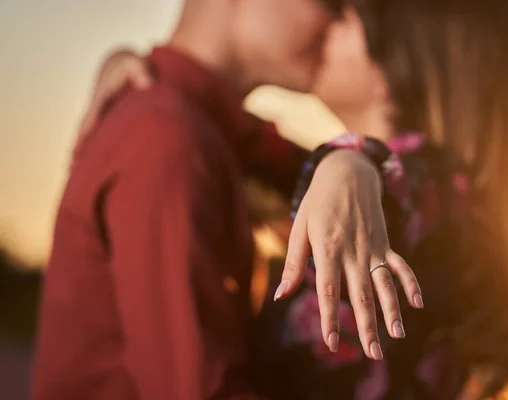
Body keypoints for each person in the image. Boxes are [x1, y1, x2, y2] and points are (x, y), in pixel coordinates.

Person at [76, 0, 508, 398]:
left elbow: (390, 174)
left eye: (348, 16)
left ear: (401, 64)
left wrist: (350, 164)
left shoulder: (412, 187)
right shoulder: (435, 200)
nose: (329, 21)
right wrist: (136, 66)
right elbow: (267, 152)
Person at [32, 1, 425, 399]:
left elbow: (299, 168)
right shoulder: (164, 137)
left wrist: (349, 161)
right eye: (330, 3)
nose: (340, 22)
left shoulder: (198, 124)